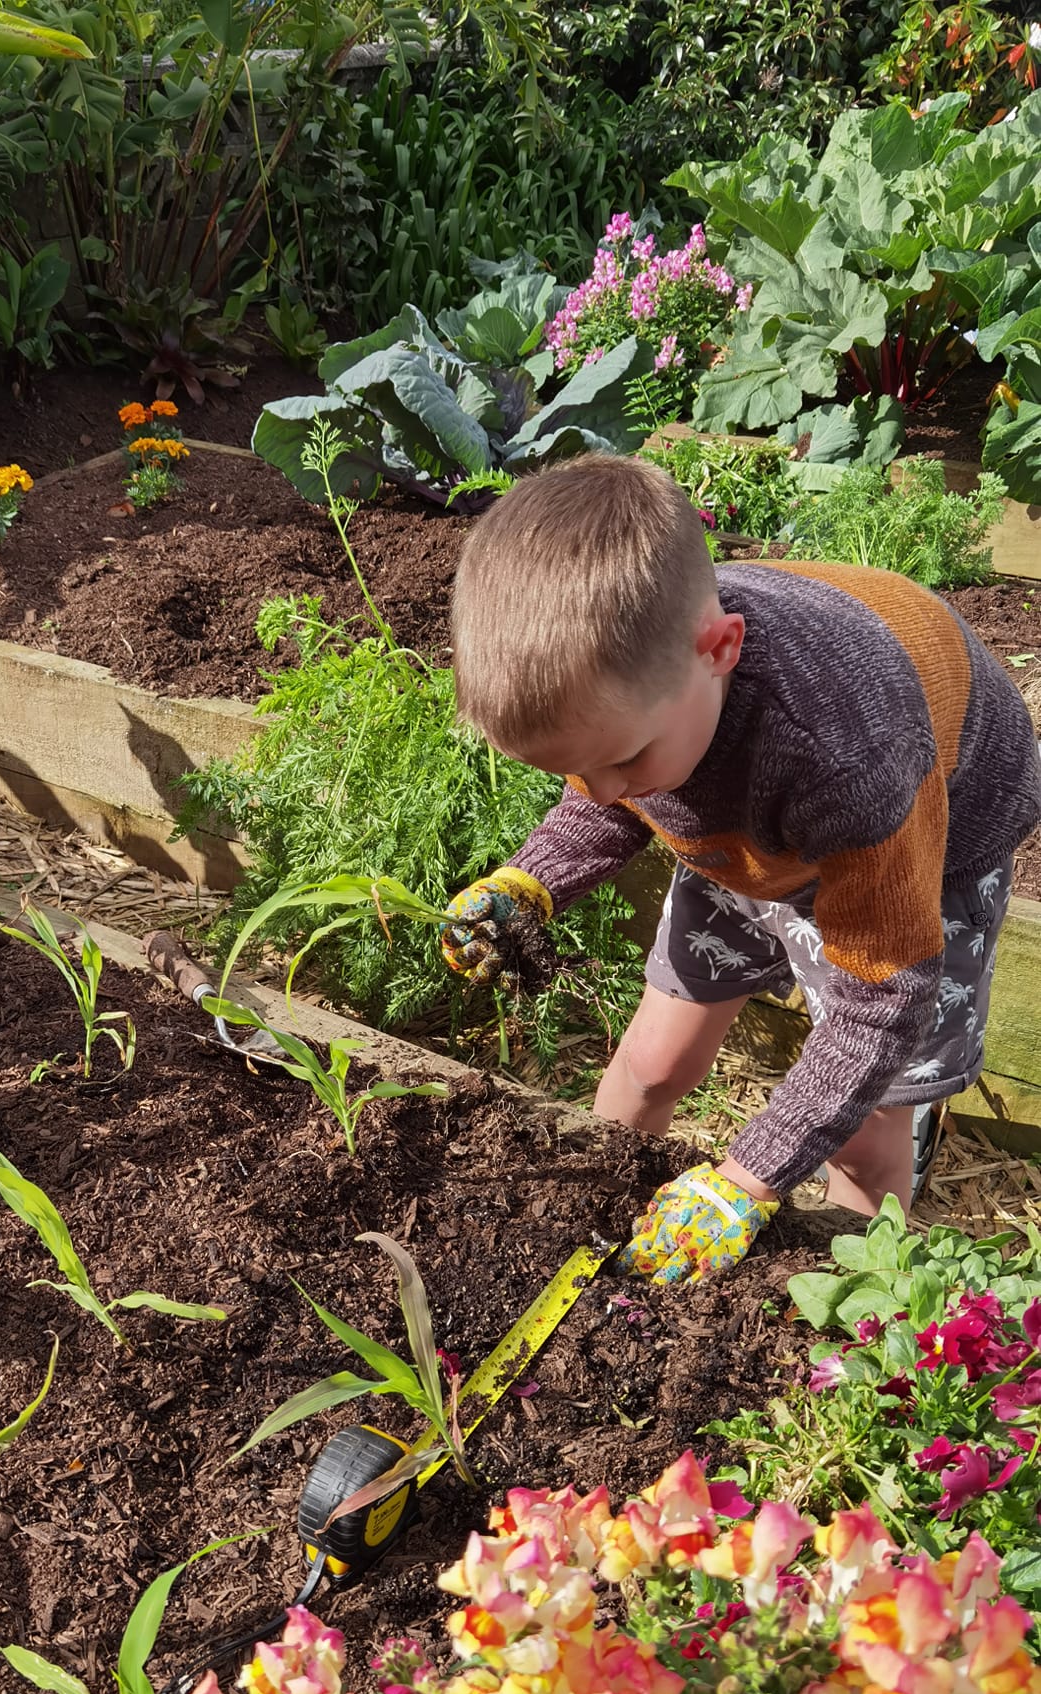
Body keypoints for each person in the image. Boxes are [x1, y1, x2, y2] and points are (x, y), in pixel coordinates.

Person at [441, 455, 1041, 1285]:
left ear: (719, 649)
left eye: (620, 761)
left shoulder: (847, 755)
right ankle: (589, 1235)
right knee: (650, 1063)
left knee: (866, 1140)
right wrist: (529, 880)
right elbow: (608, 791)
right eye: (575, 770)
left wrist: (745, 1179)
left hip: (920, 843)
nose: (606, 791)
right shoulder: (644, 700)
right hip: (746, 823)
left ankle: (854, 1304)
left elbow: (884, 993)